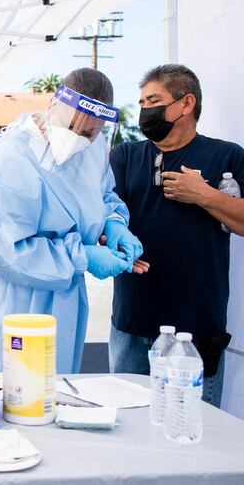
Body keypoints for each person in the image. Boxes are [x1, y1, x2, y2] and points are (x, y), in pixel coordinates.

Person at [0, 68, 145, 375]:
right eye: (72, 125)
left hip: (62, 293)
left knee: (55, 391)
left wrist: (113, 224)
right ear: (54, 106)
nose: (78, 137)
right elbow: (4, 250)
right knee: (8, 392)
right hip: (10, 293)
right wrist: (80, 255)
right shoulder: (10, 159)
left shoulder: (94, 150)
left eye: (89, 132)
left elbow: (104, 195)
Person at [109, 64, 244, 407]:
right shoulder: (124, 156)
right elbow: (104, 218)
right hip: (133, 321)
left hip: (195, 326)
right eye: (140, 103)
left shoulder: (227, 155)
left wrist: (204, 194)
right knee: (129, 425)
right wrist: (112, 238)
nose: (144, 110)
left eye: (153, 100)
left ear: (186, 104)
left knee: (193, 427)